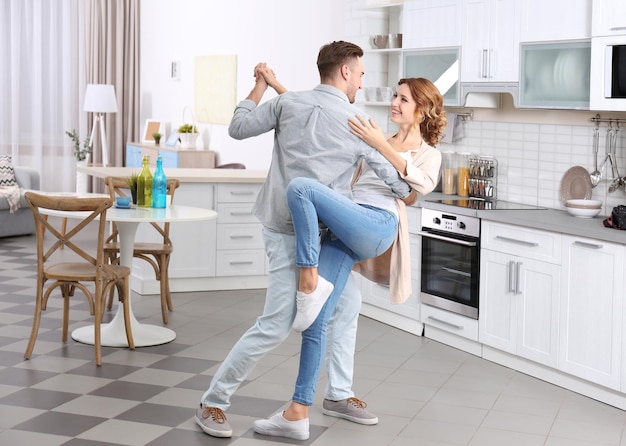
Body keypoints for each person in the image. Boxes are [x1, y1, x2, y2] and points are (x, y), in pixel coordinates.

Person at [195, 41, 414, 440]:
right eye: (361, 75)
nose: (362, 84)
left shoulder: (289, 103)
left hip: (288, 226)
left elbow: (238, 127)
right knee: (278, 322)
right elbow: (402, 186)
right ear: (346, 72)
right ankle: (214, 400)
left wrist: (261, 86)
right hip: (293, 235)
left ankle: (338, 394)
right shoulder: (357, 122)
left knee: (347, 305)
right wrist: (384, 145)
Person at [252, 77, 445, 440]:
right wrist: (277, 85)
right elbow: (317, 110)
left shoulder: (427, 152)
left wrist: (378, 145)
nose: (395, 103)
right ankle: (298, 411)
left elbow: (418, 187)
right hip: (346, 227)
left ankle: (308, 273)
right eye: (395, 96)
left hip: (376, 224)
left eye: (403, 99)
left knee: (302, 188)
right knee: (317, 317)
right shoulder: (376, 136)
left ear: (421, 110)